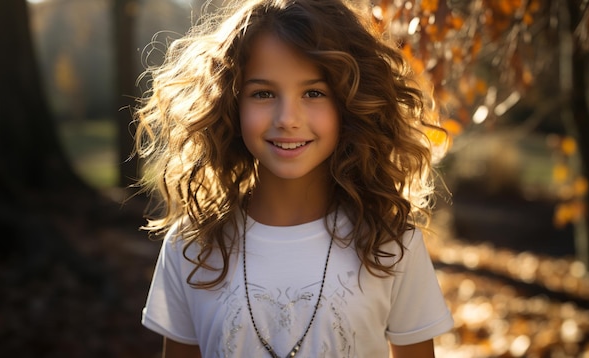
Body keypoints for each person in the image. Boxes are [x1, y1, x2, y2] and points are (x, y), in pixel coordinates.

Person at [135, 0, 454, 356]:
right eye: (264, 93)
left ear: (349, 103)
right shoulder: (191, 246)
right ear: (230, 103)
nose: (287, 118)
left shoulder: (392, 244)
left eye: (314, 93)